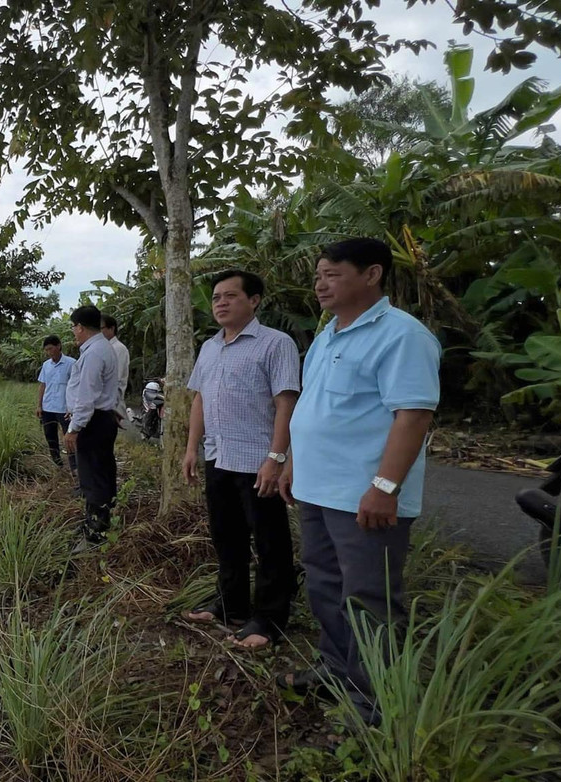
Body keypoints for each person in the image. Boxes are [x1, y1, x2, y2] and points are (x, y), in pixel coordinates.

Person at [278, 238, 440, 724]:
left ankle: (375, 704)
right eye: (318, 275)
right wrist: (291, 462)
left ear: (372, 275)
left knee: (369, 598)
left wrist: (385, 487)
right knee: (325, 584)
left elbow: (413, 416)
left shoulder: (401, 336)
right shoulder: (329, 334)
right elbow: (313, 406)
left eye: (332, 274)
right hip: (316, 488)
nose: (320, 284)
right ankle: (335, 670)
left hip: (364, 495)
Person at [181, 269, 301, 650]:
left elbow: (287, 402)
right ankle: (230, 604)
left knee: (270, 543)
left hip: (257, 460)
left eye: (230, 296)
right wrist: (190, 448)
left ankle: (270, 618)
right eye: (216, 297)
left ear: (254, 300)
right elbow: (199, 398)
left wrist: (276, 458)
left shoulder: (274, 344)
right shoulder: (209, 347)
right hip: (218, 457)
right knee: (226, 537)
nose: (220, 303)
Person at [64, 305, 121, 550]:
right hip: (98, 419)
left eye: (74, 328)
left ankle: (96, 533)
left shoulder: (94, 353)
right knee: (101, 472)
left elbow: (87, 395)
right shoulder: (99, 348)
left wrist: (73, 428)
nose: (74, 333)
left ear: (80, 327)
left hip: (93, 422)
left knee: (93, 476)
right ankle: (95, 521)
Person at [35, 335, 77, 472]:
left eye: (51, 348)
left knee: (69, 437)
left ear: (58, 346)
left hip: (65, 408)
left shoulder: (71, 363)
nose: (49, 352)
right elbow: (42, 385)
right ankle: (57, 463)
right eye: (46, 350)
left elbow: (77, 386)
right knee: (50, 436)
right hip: (48, 408)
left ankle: (75, 467)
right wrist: (39, 405)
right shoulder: (46, 365)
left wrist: (74, 407)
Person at [100, 314, 131, 410]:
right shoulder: (103, 348)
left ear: (111, 328)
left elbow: (116, 378)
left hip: (113, 403)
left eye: (101, 328)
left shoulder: (118, 349)